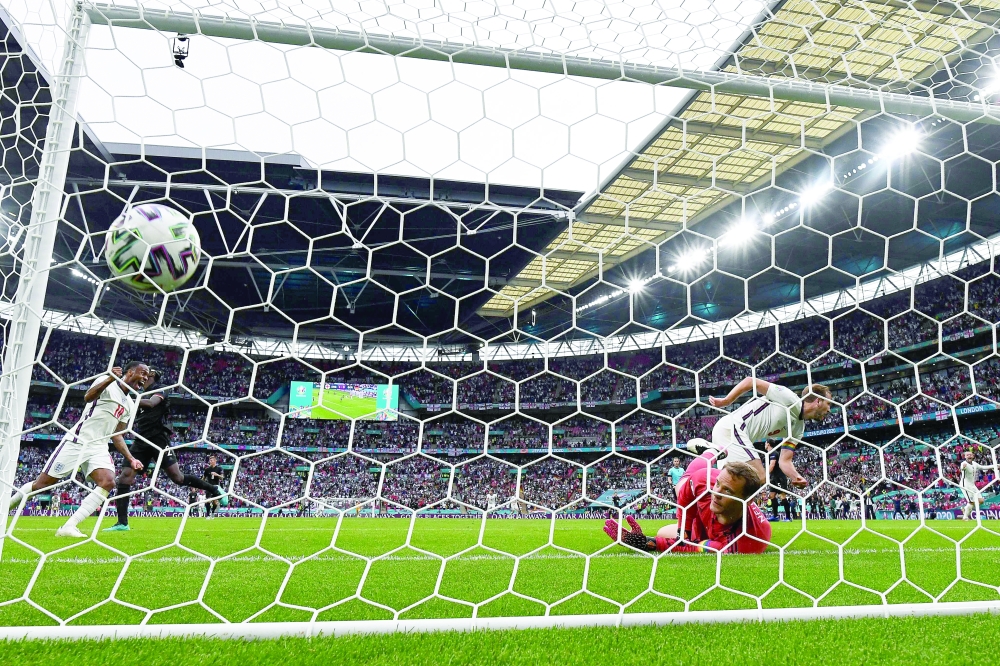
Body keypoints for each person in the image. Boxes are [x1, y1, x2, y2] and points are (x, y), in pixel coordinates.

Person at [8, 363, 149, 538]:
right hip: (78, 441)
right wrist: (110, 379)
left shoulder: (130, 404)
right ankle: (4, 508)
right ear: (130, 372)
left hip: (99, 447)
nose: (145, 378)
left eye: (147, 376)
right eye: (143, 373)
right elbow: (88, 397)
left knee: (108, 481)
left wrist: (131, 458)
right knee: (41, 485)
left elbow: (117, 435)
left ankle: (68, 526)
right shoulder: (107, 382)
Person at [104, 369, 224, 531]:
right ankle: (122, 523)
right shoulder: (140, 393)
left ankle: (214, 488)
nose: (142, 377)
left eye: (146, 373)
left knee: (178, 478)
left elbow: (151, 403)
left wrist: (125, 398)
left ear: (152, 375)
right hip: (141, 440)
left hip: (159, 439)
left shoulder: (161, 389)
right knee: (124, 478)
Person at [603, 452, 771, 554]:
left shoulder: (741, 544)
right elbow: (685, 497)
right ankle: (710, 452)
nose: (716, 493)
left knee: (662, 534)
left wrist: (647, 542)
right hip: (705, 518)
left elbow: (692, 547)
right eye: (718, 484)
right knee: (681, 487)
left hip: (719, 532)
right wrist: (684, 530)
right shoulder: (706, 481)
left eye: (727, 491)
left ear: (747, 501)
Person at [690, 378, 832, 486]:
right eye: (829, 403)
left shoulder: (799, 429)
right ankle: (707, 458)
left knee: (728, 483)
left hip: (733, 436)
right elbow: (751, 381)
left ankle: (696, 473)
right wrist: (727, 401)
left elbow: (784, 460)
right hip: (733, 427)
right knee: (759, 477)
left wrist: (796, 477)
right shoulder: (789, 398)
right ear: (818, 401)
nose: (830, 409)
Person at [959, 450, 992, 521]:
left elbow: (983, 467)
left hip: (972, 485)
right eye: (967, 455)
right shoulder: (963, 463)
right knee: (971, 502)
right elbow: (962, 468)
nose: (969, 456)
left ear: (973, 456)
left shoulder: (974, 463)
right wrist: (963, 468)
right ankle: (965, 517)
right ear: (965, 457)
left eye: (970, 455)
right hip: (965, 485)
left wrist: (994, 466)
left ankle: (965, 509)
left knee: (981, 500)